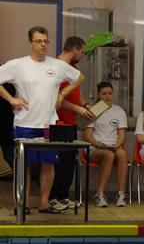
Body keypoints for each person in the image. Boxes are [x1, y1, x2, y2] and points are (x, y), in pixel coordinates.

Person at [0, 26, 84, 213]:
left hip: (48, 124)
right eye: (38, 41)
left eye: (46, 41)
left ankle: (44, 203)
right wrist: (11, 99)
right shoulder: (18, 65)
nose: (43, 45)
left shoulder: (57, 65)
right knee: (25, 166)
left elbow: (79, 78)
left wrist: (62, 94)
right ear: (30, 43)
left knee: (48, 163)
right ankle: (23, 204)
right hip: (24, 124)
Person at [50, 36, 95, 211]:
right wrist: (77, 108)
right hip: (58, 123)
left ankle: (63, 195)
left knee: (69, 161)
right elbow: (56, 98)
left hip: (71, 122)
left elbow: (76, 94)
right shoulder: (55, 68)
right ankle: (52, 197)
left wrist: (85, 105)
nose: (83, 55)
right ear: (74, 50)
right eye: (82, 52)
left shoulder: (73, 69)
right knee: (58, 162)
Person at [84, 81, 129, 207]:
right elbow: (87, 136)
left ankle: (121, 194)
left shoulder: (119, 111)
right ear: (99, 95)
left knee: (122, 154)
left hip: (113, 146)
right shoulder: (94, 110)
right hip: (95, 147)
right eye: (104, 94)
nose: (107, 96)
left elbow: (122, 135)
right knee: (109, 155)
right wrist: (98, 144)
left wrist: (116, 145)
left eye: (110, 93)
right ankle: (100, 194)